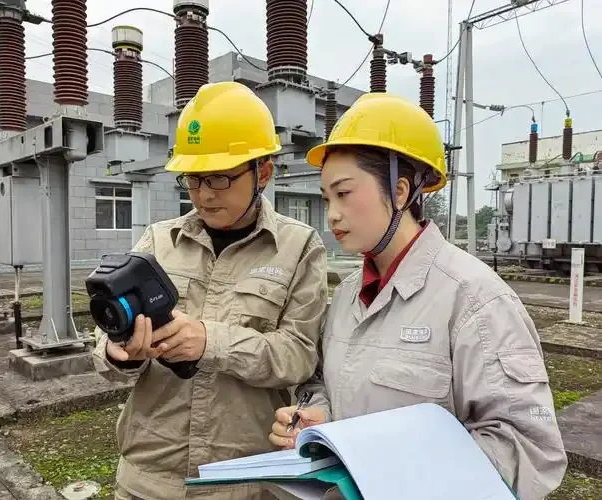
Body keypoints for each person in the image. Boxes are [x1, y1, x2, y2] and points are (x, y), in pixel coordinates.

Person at [268, 92, 568, 500]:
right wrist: (318, 415)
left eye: (344, 193)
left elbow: (529, 449)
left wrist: (399, 474)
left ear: (400, 191)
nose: (332, 214)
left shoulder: (474, 299)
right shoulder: (347, 297)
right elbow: (325, 382)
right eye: (326, 199)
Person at [92, 81, 329, 500]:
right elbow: (106, 343)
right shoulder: (158, 241)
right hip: (148, 478)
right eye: (194, 178)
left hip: (241, 480)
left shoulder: (299, 247)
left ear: (264, 172)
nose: (203, 194)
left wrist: (209, 341)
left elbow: (298, 355)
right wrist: (119, 351)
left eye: (219, 177)